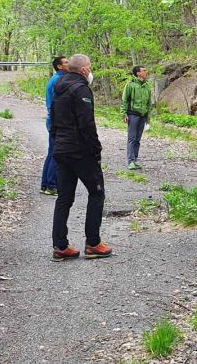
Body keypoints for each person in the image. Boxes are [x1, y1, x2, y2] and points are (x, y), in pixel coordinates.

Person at [50, 54, 113, 260]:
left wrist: (56, 144)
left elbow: (53, 119)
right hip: (80, 151)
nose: (91, 70)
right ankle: (93, 243)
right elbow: (87, 124)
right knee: (96, 193)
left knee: (64, 198)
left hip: (60, 149)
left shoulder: (58, 87)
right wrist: (96, 149)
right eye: (90, 66)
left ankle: (60, 246)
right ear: (84, 70)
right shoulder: (81, 89)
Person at [40, 56, 68, 195]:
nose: (69, 64)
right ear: (59, 66)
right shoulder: (59, 80)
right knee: (56, 153)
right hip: (56, 121)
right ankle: (51, 185)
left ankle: (45, 184)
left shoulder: (57, 79)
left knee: (52, 152)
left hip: (53, 119)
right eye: (66, 62)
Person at [121, 66, 152, 170]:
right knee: (132, 138)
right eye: (144, 70)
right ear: (138, 73)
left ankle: (135, 160)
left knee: (138, 139)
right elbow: (124, 100)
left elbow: (149, 103)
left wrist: (148, 117)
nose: (146, 72)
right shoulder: (130, 85)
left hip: (142, 116)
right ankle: (130, 161)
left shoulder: (147, 86)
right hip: (132, 115)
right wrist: (123, 114)